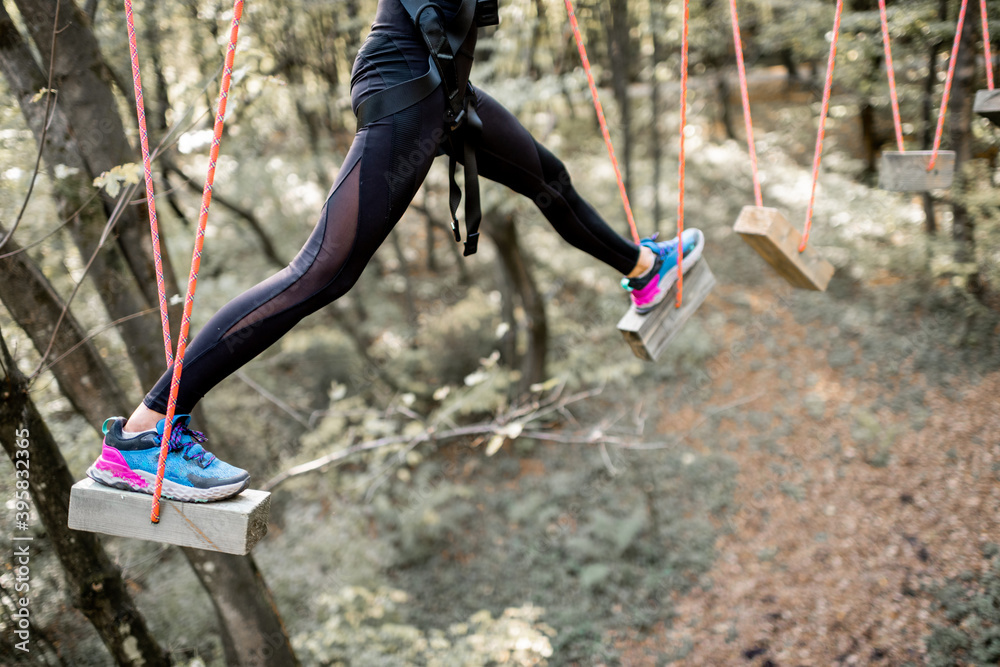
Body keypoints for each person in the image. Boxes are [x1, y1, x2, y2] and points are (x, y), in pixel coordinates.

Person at [87, 0, 705, 502]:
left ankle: (646, 269)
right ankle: (145, 434)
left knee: (549, 177)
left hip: (448, 92)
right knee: (320, 272)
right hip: (406, 83)